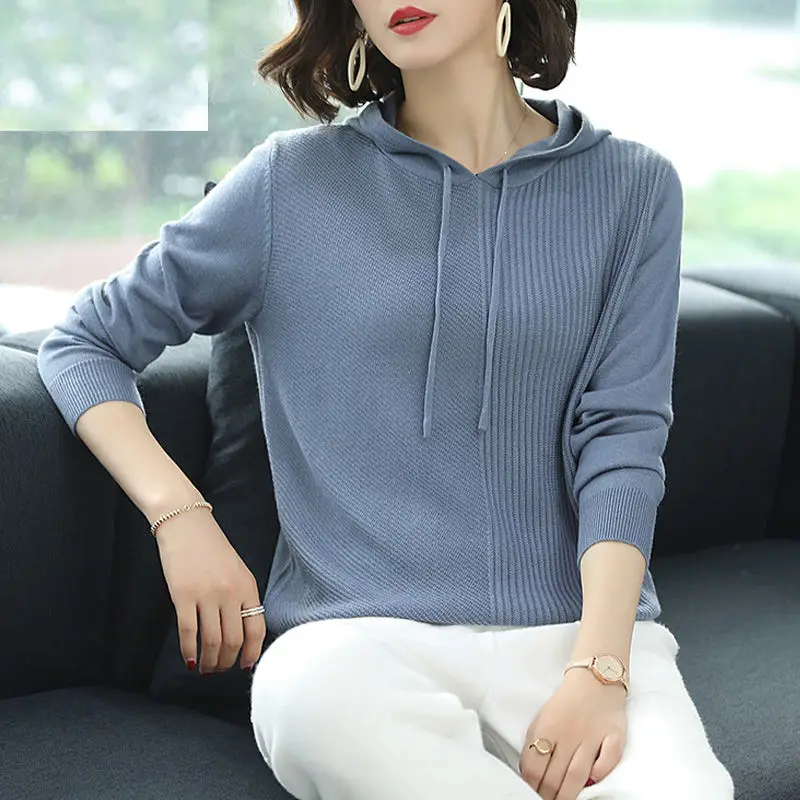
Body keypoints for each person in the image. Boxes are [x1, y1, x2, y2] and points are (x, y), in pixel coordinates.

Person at [35, 1, 736, 798]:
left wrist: (601, 669)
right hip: (355, 651)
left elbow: (622, 438)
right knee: (311, 700)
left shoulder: (634, 188)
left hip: (579, 641)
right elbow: (84, 342)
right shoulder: (288, 182)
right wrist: (180, 515)